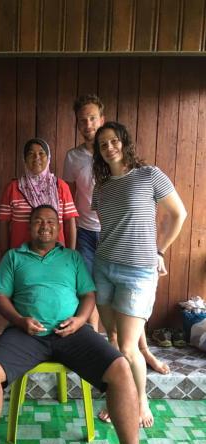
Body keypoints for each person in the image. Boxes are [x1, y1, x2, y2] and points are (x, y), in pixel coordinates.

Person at [0, 205, 140, 444]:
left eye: (51, 221)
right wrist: (20, 320)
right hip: (26, 333)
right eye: (38, 221)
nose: (45, 226)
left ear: (59, 228)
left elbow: (88, 294)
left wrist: (80, 320)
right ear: (29, 227)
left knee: (121, 368)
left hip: (72, 332)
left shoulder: (72, 258)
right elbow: (0, 297)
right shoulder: (13, 257)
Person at [63, 94, 170, 376]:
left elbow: (153, 210)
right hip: (89, 234)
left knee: (130, 307)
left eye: (92, 118)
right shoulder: (75, 159)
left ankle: (141, 352)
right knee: (95, 296)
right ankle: (105, 354)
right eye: (82, 120)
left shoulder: (130, 165)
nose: (87, 124)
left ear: (102, 119)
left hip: (124, 242)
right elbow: (70, 196)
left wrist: (157, 250)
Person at [91, 121, 187, 427]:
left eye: (113, 141)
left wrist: (160, 251)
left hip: (138, 272)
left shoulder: (149, 175)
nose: (109, 148)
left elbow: (178, 214)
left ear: (124, 142)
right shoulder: (101, 187)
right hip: (104, 267)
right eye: (103, 144)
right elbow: (108, 228)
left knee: (129, 347)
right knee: (113, 339)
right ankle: (117, 397)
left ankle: (140, 401)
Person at [0, 138, 78, 254]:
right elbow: (3, 225)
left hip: (56, 257)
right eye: (31, 154)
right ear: (24, 159)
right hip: (21, 256)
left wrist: (71, 255)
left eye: (41, 153)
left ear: (49, 157)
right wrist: (5, 256)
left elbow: (70, 222)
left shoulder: (60, 186)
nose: (37, 158)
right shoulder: (13, 188)